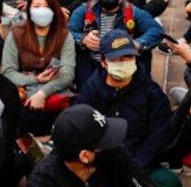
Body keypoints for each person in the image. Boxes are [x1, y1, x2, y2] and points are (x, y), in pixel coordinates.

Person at [75, 30, 177, 187]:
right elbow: (80, 128)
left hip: (140, 161)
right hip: (100, 162)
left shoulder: (151, 92)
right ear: (103, 61)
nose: (122, 62)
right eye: (115, 59)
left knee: (169, 182)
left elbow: (159, 134)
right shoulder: (91, 90)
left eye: (128, 57)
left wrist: (135, 167)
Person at [68, 0, 163, 85]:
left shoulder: (132, 12)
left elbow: (156, 30)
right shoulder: (84, 11)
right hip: (92, 70)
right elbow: (67, 32)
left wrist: (135, 44)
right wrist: (83, 39)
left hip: (122, 68)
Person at [2, 0, 75, 134]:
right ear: (28, 10)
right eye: (36, 6)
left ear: (54, 10)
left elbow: (67, 73)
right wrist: (36, 80)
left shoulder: (64, 35)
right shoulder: (16, 34)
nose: (42, 10)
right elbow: (8, 71)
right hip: (25, 92)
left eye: (47, 6)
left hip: (56, 91)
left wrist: (42, 93)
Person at [28, 103, 155, 187]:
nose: (110, 143)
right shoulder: (44, 181)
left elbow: (141, 180)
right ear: (85, 156)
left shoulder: (113, 151)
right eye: (103, 141)